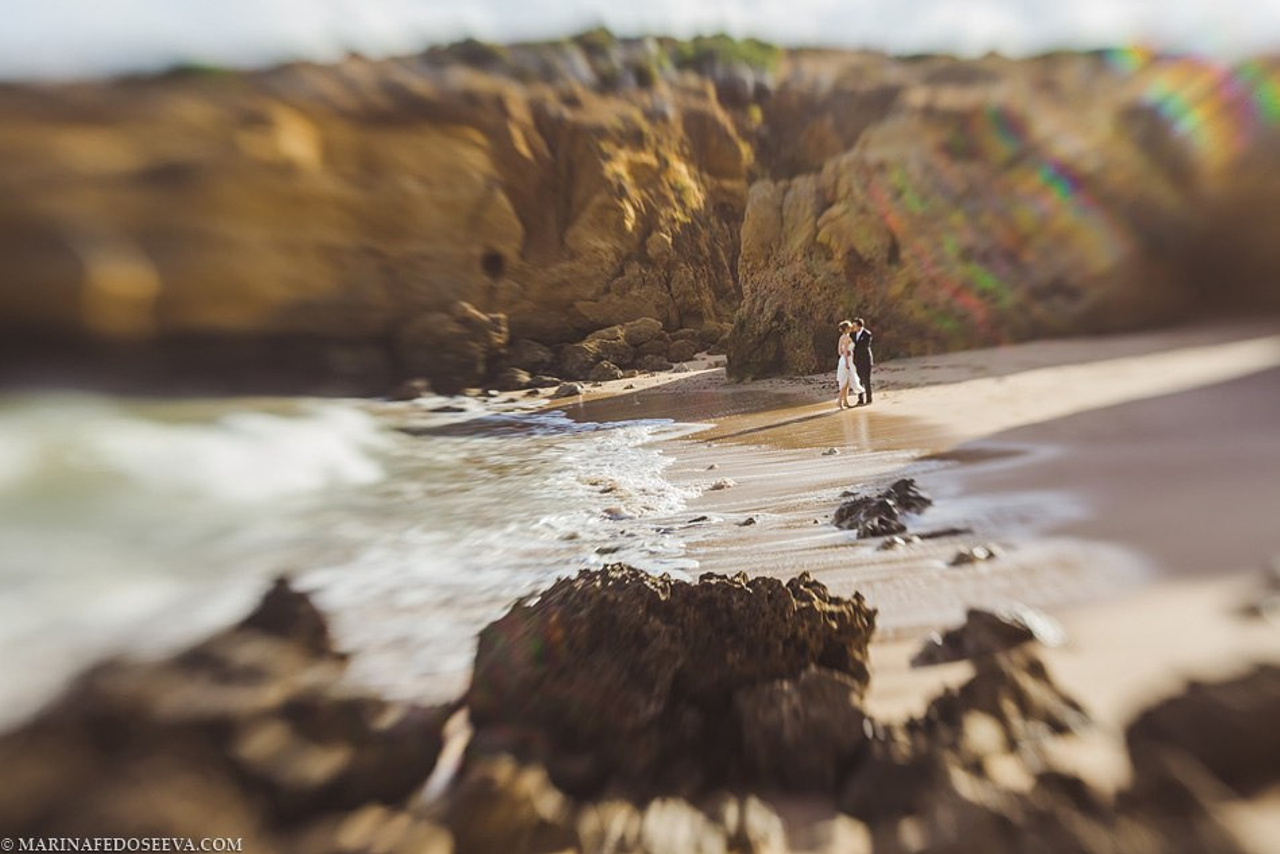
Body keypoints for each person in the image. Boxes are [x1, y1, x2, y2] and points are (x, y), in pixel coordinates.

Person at [836, 320, 863, 409]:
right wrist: (847, 362)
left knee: (846, 382)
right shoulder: (847, 338)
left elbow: (840, 352)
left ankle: (845, 401)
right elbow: (846, 351)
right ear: (847, 329)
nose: (851, 329)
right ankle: (839, 401)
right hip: (847, 361)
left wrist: (845, 356)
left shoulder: (841, 337)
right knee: (844, 382)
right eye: (850, 328)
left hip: (842, 360)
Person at [851, 318, 874, 405]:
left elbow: (864, 346)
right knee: (858, 380)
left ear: (860, 326)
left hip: (866, 359)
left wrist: (854, 350)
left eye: (855, 326)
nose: (854, 327)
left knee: (866, 379)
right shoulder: (853, 334)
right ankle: (860, 399)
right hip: (857, 360)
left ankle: (869, 398)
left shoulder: (867, 334)